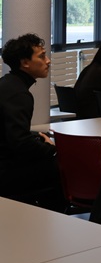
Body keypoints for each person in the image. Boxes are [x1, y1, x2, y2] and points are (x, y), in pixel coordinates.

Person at [0, 33, 64, 210]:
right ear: (25, 63)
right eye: (42, 56)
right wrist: (51, 148)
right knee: (63, 165)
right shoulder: (19, 94)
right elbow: (20, 143)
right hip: (6, 172)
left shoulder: (7, 84)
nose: (48, 61)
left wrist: (37, 139)